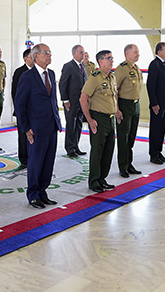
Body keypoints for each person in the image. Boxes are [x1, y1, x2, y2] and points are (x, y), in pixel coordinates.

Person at [14, 44, 63, 208]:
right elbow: (20, 105)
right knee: (35, 162)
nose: (49, 55)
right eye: (46, 53)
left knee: (48, 162)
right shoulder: (27, 77)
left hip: (51, 125)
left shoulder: (51, 74)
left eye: (50, 52)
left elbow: (53, 100)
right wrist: (26, 128)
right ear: (35, 56)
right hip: (36, 127)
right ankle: (33, 194)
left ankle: (43, 192)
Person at [80, 50, 121, 193]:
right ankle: (94, 181)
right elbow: (83, 98)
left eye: (112, 58)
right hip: (98, 118)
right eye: (109, 58)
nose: (112, 61)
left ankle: (102, 178)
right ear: (100, 61)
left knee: (108, 150)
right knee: (97, 151)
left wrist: (117, 111)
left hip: (110, 119)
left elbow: (114, 96)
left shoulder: (112, 77)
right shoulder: (95, 78)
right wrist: (89, 120)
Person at [114, 44, 143, 177]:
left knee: (131, 136)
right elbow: (114, 90)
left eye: (138, 52)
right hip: (124, 104)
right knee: (123, 137)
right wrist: (117, 109)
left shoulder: (136, 68)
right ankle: (123, 166)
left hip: (135, 105)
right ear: (127, 53)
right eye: (135, 52)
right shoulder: (122, 69)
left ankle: (129, 163)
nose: (138, 54)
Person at [59, 44, 88, 158]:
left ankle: (76, 146)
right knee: (71, 124)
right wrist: (65, 100)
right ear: (74, 53)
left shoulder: (83, 66)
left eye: (84, 52)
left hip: (81, 101)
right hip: (71, 101)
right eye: (81, 52)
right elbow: (63, 83)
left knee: (79, 124)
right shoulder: (68, 66)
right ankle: (69, 148)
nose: (83, 54)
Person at [147, 42, 165, 164]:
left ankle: (159, 151)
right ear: (159, 52)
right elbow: (150, 86)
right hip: (157, 105)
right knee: (155, 129)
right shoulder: (154, 64)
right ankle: (153, 154)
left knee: (162, 129)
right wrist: (154, 103)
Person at [11, 48, 34, 167]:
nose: (34, 58)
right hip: (23, 110)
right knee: (23, 134)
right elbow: (15, 92)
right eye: (31, 56)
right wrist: (20, 109)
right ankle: (24, 158)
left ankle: (32, 156)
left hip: (34, 111)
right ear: (25, 58)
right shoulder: (19, 72)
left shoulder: (36, 71)